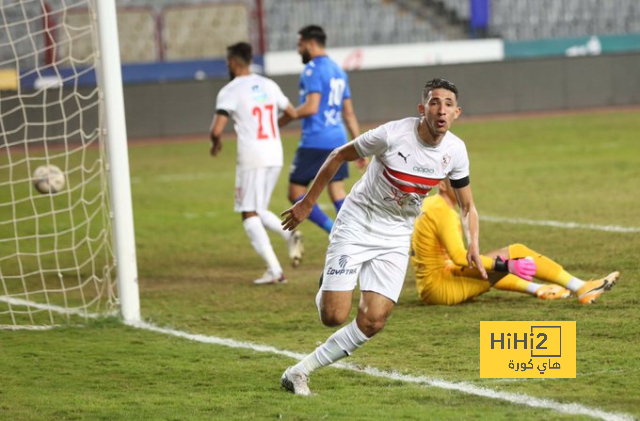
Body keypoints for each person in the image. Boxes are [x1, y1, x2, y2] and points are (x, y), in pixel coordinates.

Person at [279, 78, 505, 395]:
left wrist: (474, 244)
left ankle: (298, 372)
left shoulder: (456, 151)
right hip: (358, 222)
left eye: (448, 104)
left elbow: (467, 205)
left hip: (396, 235)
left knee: (373, 321)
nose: (441, 110)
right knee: (333, 316)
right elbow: (337, 156)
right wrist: (307, 202)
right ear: (422, 108)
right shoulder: (392, 134)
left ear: (457, 112)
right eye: (435, 102)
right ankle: (328, 282)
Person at [411, 179, 620, 305]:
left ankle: (540, 289)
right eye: (456, 180)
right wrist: (507, 265)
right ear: (441, 184)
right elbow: (458, 258)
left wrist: (503, 266)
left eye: (463, 179)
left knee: (492, 265)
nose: (463, 185)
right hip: (441, 288)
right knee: (514, 253)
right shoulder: (443, 212)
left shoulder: (431, 204)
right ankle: (581, 287)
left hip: (432, 286)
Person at [209, 42, 304, 285]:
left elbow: (217, 128)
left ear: (232, 62)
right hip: (275, 153)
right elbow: (292, 113)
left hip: (252, 156)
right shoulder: (268, 84)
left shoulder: (230, 90)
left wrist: (215, 143)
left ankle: (275, 271)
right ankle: (289, 233)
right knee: (258, 207)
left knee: (248, 212)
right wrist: (273, 129)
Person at [279, 25, 366, 235]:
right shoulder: (338, 70)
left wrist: (284, 118)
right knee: (337, 192)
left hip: (316, 140)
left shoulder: (312, 69)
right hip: (338, 139)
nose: (298, 50)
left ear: (310, 44)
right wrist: (359, 147)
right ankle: (361, 233)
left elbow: (311, 107)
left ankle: (333, 232)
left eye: (300, 45)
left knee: (295, 193)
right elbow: (349, 113)